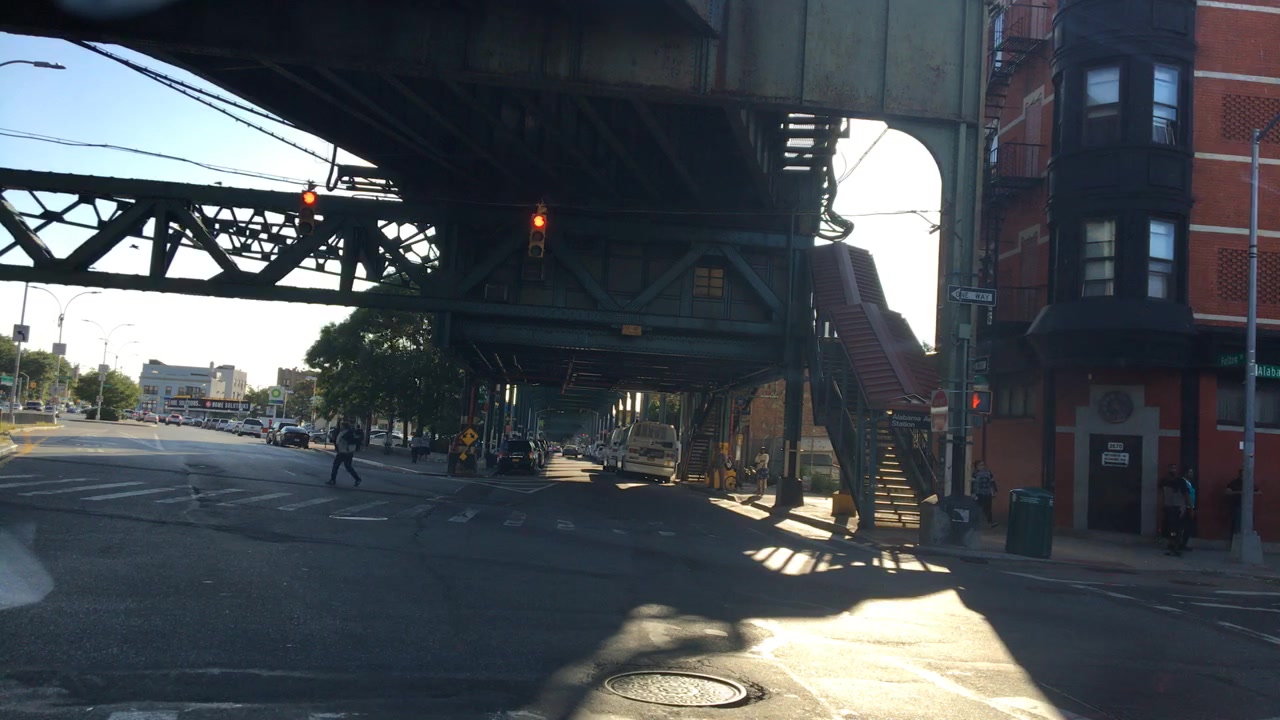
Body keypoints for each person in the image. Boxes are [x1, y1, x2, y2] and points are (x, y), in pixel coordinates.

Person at [1159, 464, 1190, 556]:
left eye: (1174, 468)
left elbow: (1186, 495)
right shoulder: (1163, 481)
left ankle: (1176, 546)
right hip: (1169, 507)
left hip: (1179, 507)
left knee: (1178, 528)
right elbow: (1162, 494)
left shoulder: (1180, 481)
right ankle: (1172, 545)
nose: (1173, 470)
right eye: (1171, 468)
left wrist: (1190, 507)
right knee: (1171, 528)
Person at [328, 421, 363, 487]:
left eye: (342, 425)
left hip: (344, 452)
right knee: (348, 466)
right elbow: (338, 441)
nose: (340, 426)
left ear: (344, 426)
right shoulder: (343, 432)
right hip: (345, 451)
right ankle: (357, 479)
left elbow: (347, 441)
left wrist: (343, 443)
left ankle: (332, 480)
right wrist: (332, 439)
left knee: (336, 465)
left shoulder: (348, 433)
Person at [971, 460, 998, 528]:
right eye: (980, 465)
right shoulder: (974, 474)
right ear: (976, 466)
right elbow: (972, 484)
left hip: (987, 493)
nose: (982, 466)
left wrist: (994, 491)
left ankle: (990, 522)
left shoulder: (988, 473)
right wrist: (972, 493)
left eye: (983, 465)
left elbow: (992, 482)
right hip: (978, 494)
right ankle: (975, 523)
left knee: (988, 509)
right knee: (977, 508)